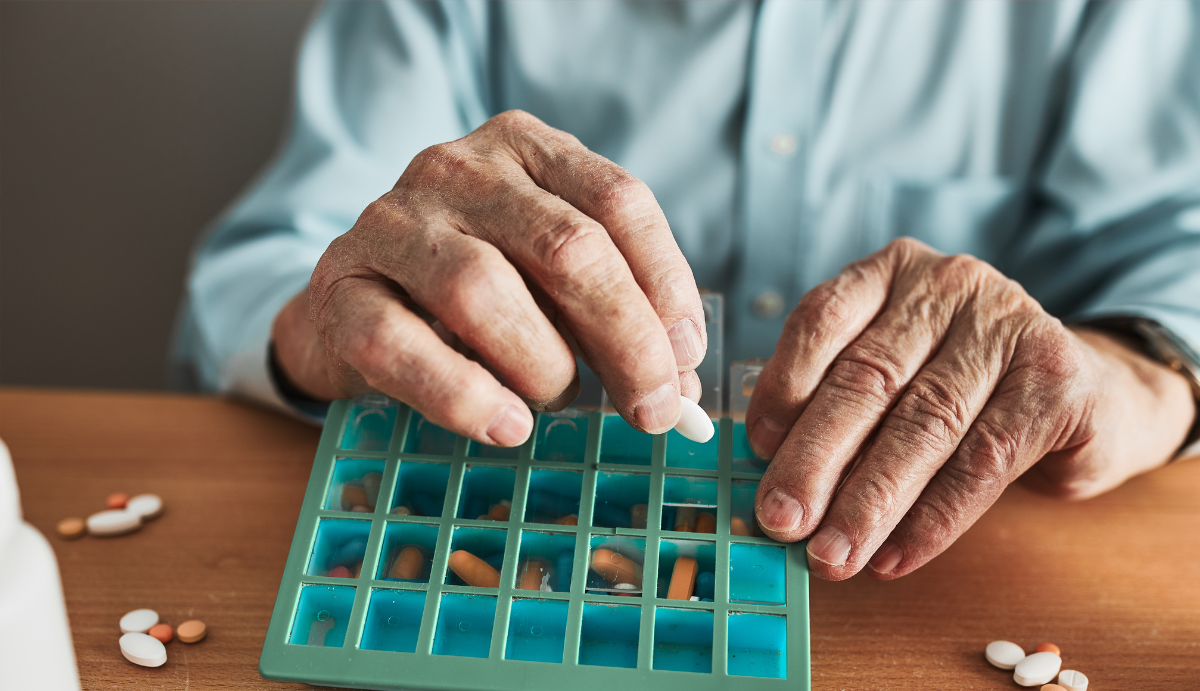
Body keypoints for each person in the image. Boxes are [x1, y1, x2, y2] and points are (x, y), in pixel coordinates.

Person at [174, 1, 1200, 581]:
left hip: (947, 588)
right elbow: (264, 266)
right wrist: (331, 318)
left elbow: (1178, 253)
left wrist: (1127, 380)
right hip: (521, 534)